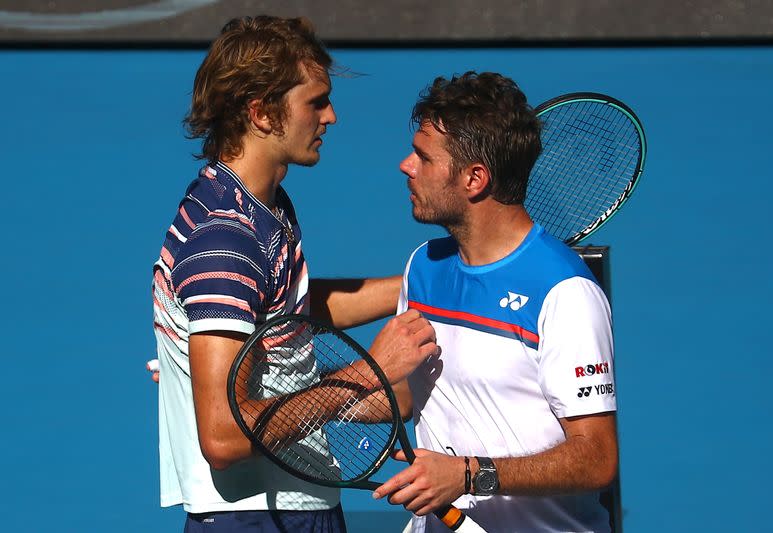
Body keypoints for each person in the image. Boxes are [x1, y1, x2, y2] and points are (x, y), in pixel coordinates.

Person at [152, 15, 437, 532]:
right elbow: (221, 435)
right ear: (262, 113)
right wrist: (366, 374)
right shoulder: (225, 243)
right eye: (315, 101)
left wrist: (418, 286)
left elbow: (289, 313)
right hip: (257, 520)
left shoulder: (262, 206)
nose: (331, 117)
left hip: (294, 507)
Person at [372, 72, 619, 532]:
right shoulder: (423, 267)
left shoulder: (566, 292)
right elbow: (409, 396)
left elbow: (597, 458)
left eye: (424, 158)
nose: (406, 166)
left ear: (474, 178)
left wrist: (469, 474)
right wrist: (318, 399)